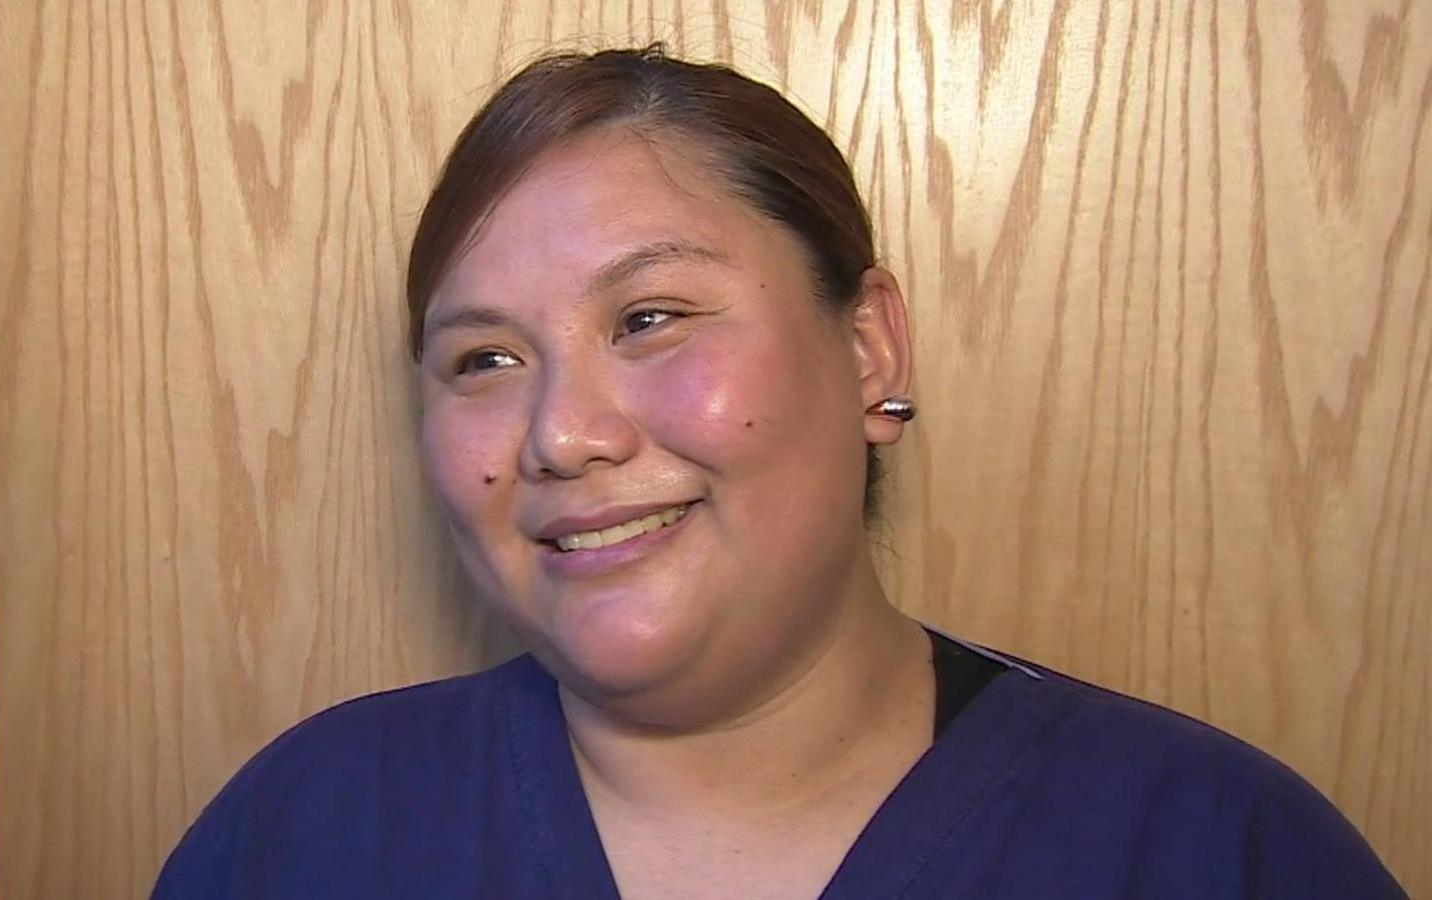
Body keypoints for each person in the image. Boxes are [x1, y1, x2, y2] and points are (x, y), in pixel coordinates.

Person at [152, 46, 1406, 899]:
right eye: (482, 358)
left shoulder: (1208, 848)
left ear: (866, 350)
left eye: (648, 319)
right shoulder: (310, 832)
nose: (561, 434)